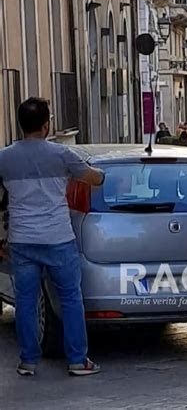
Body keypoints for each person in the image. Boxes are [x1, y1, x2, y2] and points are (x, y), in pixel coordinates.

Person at [0, 97, 105, 376]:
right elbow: (94, 178)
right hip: (58, 238)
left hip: (22, 240)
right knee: (70, 298)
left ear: (20, 124)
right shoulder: (61, 155)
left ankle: (28, 360)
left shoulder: (4, 157)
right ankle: (77, 360)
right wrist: (101, 174)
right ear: (46, 126)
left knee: (25, 300)